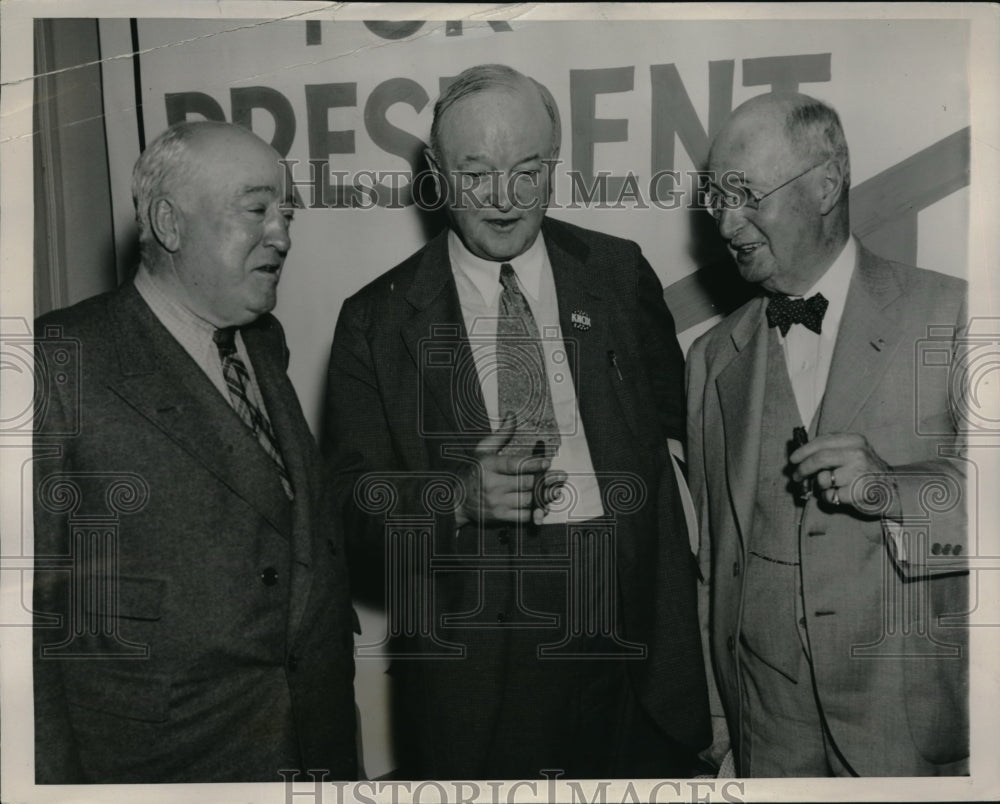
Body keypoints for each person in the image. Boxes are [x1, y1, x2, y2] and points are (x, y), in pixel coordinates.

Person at [323, 64, 710, 779]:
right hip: (480, 662)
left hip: (634, 651)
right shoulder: (375, 320)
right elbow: (347, 509)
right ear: (436, 174)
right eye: (476, 175)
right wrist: (456, 496)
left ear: (555, 164)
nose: (505, 199)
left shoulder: (619, 272)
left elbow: (679, 431)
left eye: (528, 172)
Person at [32, 120, 358, 784]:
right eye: (257, 210)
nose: (282, 235)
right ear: (169, 223)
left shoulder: (262, 341)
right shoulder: (56, 363)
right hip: (173, 765)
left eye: (287, 213)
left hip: (313, 746)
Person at [687, 92, 969, 777]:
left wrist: (895, 489)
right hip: (766, 736)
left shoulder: (956, 313)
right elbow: (711, 562)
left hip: (906, 726)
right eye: (717, 199)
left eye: (746, 195)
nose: (727, 222)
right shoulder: (710, 360)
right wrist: (720, 723)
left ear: (825, 185)